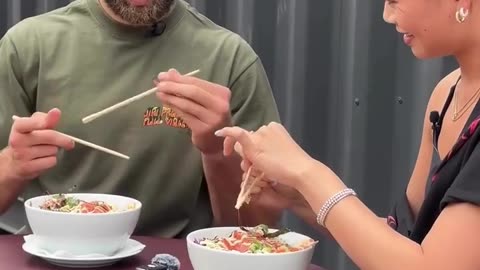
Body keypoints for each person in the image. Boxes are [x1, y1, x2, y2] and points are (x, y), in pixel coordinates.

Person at [216, 0, 480, 269]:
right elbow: (402, 239)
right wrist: (298, 194)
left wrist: (307, 172)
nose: (387, 15)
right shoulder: (447, 94)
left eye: (394, 1)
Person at [0, 0, 282, 237]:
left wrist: (216, 152)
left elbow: (258, 231)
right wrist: (13, 165)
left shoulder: (229, 58)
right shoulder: (27, 47)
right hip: (53, 255)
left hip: (173, 260)